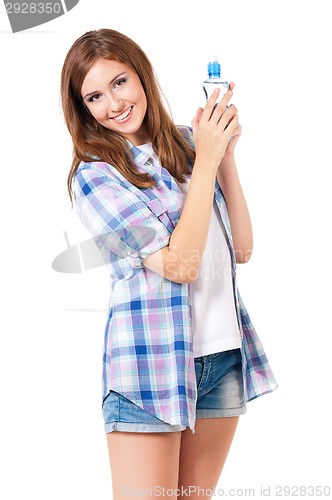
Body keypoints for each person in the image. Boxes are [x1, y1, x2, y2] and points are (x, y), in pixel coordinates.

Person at [60, 28, 278, 499]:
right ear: (83, 110)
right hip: (149, 369)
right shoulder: (97, 178)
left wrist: (224, 158)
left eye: (119, 82)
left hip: (221, 358)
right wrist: (206, 163)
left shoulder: (187, 142)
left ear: (141, 74)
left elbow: (241, 248)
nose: (113, 103)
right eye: (94, 96)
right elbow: (180, 264)